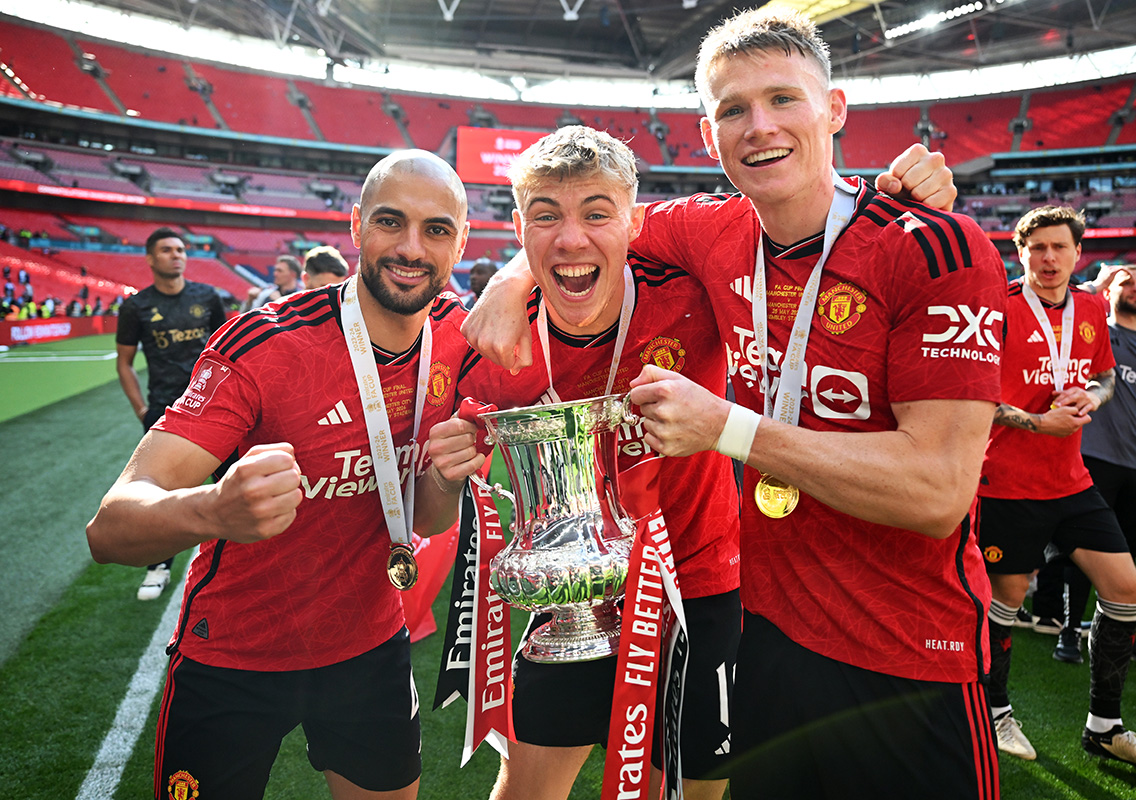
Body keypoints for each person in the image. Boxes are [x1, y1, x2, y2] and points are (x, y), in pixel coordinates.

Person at [465, 9, 1002, 797]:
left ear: (835, 111)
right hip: (766, 639)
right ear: (708, 138)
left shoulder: (930, 246)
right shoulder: (708, 231)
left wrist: (728, 428)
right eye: (732, 110)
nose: (760, 127)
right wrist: (508, 281)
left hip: (905, 651)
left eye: (784, 99)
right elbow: (587, 227)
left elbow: (937, 489)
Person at [87, 149, 473, 800]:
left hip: (370, 645)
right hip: (233, 657)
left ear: (461, 242)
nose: (411, 247)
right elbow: (110, 527)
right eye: (389, 222)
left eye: (436, 229)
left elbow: (427, 518)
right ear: (354, 226)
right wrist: (213, 510)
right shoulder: (264, 344)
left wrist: (445, 480)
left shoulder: (460, 341)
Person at [430, 126, 742, 800]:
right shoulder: (495, 342)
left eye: (597, 213)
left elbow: (786, 216)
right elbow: (439, 497)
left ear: (631, 220)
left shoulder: (689, 288)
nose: (572, 239)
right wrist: (449, 463)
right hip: (571, 597)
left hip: (698, 589)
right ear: (519, 226)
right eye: (546, 217)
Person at [977, 206, 1136, 773]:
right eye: (1036, 248)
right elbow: (974, 396)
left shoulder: (1092, 306)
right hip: (1005, 480)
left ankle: (1104, 727)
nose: (1047, 259)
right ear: (1019, 253)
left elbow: (1106, 374)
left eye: (1058, 248)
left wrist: (1091, 395)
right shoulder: (997, 308)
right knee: (1008, 596)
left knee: (1127, 589)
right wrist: (1038, 423)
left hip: (1071, 480)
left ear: (1077, 253)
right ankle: (994, 712)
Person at [1035, 266, 1136, 665]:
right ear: (1110, 291)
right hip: (1091, 457)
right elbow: (1058, 303)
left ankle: (1120, 634)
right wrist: (1101, 281)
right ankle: (1069, 633)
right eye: (1127, 281)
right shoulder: (1092, 328)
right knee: (1081, 547)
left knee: (1128, 551)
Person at [115, 227, 226, 601]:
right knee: (159, 489)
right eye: (166, 250)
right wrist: (142, 410)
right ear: (150, 258)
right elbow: (125, 363)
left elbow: (226, 351)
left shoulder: (207, 297)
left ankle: (244, 559)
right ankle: (158, 566)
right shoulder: (136, 306)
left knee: (230, 479)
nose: (176, 255)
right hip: (164, 409)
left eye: (180, 249)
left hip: (214, 406)